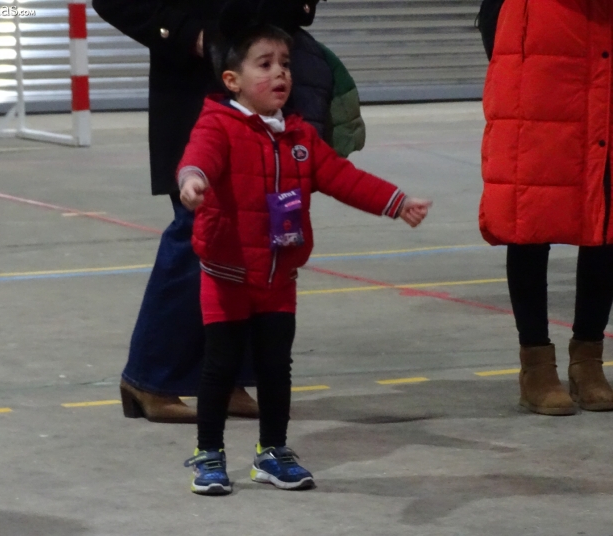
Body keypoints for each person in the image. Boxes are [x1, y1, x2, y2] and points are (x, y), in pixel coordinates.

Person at [178, 23, 432, 495]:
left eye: (286, 64)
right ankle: (209, 453)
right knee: (220, 366)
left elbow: (342, 177)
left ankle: (273, 452)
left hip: (279, 274)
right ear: (232, 80)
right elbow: (200, 156)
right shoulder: (218, 124)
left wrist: (396, 202)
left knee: (277, 365)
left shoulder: (299, 136)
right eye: (266, 64)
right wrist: (192, 180)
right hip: (227, 273)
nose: (281, 74)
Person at [92, 0, 341, 423]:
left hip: (261, 80)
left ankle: (227, 378)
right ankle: (149, 377)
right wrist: (192, 36)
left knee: (250, 238)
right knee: (198, 233)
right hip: (197, 87)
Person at [479, 0, 613, 415]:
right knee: (530, 213)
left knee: (605, 219)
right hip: (542, 67)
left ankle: (588, 359)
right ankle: (535, 364)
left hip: (602, 60)